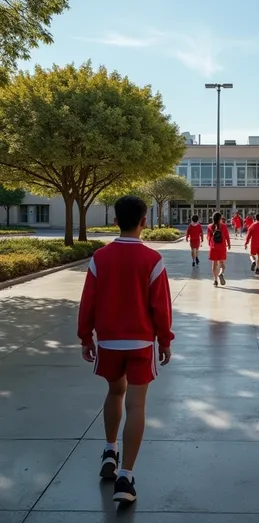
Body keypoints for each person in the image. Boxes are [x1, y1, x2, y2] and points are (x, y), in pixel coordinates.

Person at [77, 195, 174, 504]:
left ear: (115, 221)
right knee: (137, 405)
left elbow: (87, 302)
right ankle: (126, 478)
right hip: (141, 343)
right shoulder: (152, 259)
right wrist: (165, 340)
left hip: (108, 341)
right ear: (144, 222)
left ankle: (109, 449)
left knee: (115, 392)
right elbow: (161, 307)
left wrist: (85, 337)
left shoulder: (99, 258)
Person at [207, 211, 231, 286]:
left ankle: (215, 280)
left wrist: (210, 245)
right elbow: (227, 236)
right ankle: (221, 273)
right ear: (220, 218)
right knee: (222, 263)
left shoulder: (210, 226)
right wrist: (229, 244)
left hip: (213, 247)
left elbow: (209, 237)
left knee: (214, 264)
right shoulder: (223, 226)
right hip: (222, 247)